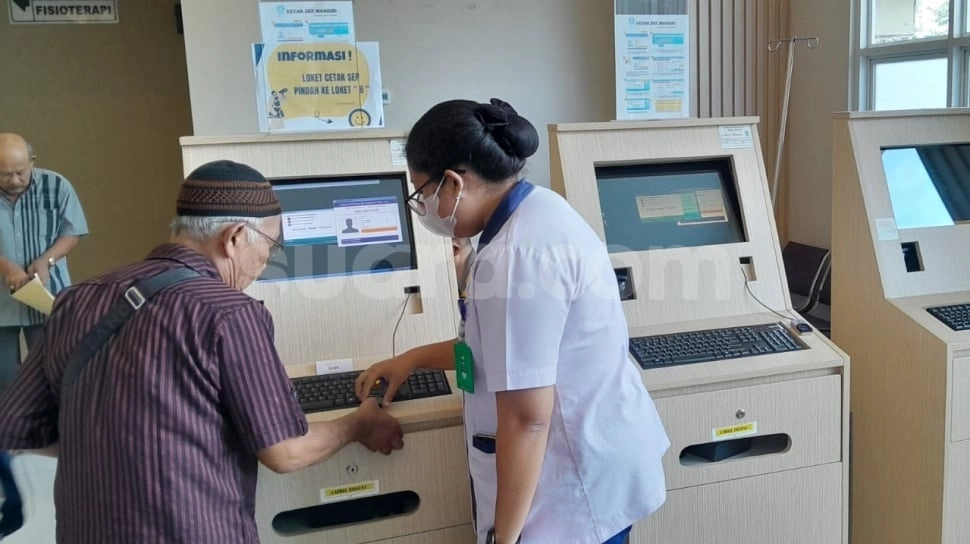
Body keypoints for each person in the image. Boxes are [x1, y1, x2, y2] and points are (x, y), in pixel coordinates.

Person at [0, 160, 404, 543]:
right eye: (271, 245)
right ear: (234, 238)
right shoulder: (228, 312)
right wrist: (358, 423)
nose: (266, 260)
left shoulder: (77, 299)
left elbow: (19, 426)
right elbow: (286, 451)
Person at [355, 99, 670, 544]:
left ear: (452, 183)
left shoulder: (515, 257)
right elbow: (501, 348)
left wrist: (505, 540)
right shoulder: (537, 209)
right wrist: (413, 358)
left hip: (569, 486)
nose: (422, 206)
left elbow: (527, 421)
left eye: (420, 193)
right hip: (599, 453)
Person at [0, 133, 88, 537]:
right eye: (4, 175)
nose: (14, 180)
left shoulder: (57, 184)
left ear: (32, 160)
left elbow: (73, 232)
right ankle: (13, 475)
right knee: (5, 382)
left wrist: (46, 259)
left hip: (44, 293)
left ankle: (53, 457)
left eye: (19, 171)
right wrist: (5, 266)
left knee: (50, 373)